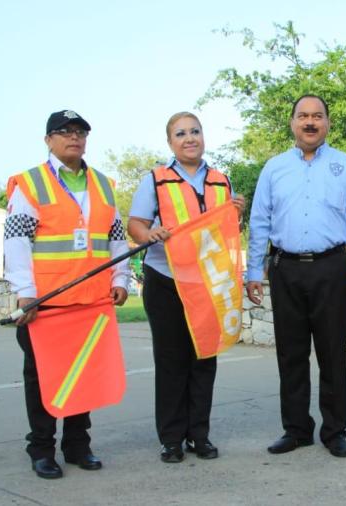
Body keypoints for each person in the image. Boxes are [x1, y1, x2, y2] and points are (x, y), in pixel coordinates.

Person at [4, 110, 130, 479]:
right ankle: (42, 449)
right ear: (48, 140)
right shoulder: (30, 184)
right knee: (42, 378)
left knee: (84, 377)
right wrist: (25, 292)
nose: (73, 137)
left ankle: (78, 446)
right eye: (64, 132)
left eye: (80, 132)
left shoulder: (104, 184)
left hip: (92, 300)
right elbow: (15, 241)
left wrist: (120, 277)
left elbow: (115, 236)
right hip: (48, 303)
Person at [246, 94, 346, 458]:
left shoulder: (345, 166)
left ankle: (335, 431)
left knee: (333, 354)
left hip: (332, 268)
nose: (310, 122)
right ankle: (297, 429)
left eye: (318, 116)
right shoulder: (274, 168)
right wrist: (255, 270)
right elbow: (259, 221)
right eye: (303, 116)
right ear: (292, 123)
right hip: (284, 270)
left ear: (328, 123)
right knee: (291, 354)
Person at [127, 112, 245, 464]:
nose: (189, 138)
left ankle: (200, 435)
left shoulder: (221, 180)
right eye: (181, 133)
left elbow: (224, 228)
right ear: (170, 143)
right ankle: (172, 439)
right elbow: (135, 224)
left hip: (208, 280)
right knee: (171, 361)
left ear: (203, 136)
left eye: (195, 131)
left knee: (204, 359)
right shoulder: (156, 180)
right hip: (166, 280)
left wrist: (237, 209)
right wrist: (149, 235)